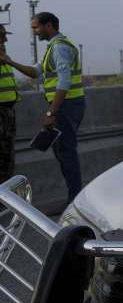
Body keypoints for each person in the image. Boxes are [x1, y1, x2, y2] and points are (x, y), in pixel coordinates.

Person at [7, 13, 87, 200]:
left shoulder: (59, 48)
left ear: (49, 25)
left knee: (66, 152)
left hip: (65, 106)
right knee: (61, 150)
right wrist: (10, 62)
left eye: (36, 27)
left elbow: (64, 82)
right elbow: (36, 72)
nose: (34, 32)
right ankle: (73, 196)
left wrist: (51, 111)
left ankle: (74, 199)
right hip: (66, 105)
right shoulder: (54, 47)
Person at [0, 26, 22, 181]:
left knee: (7, 157)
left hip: (8, 112)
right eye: (1, 37)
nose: (5, 41)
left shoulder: (4, 58)